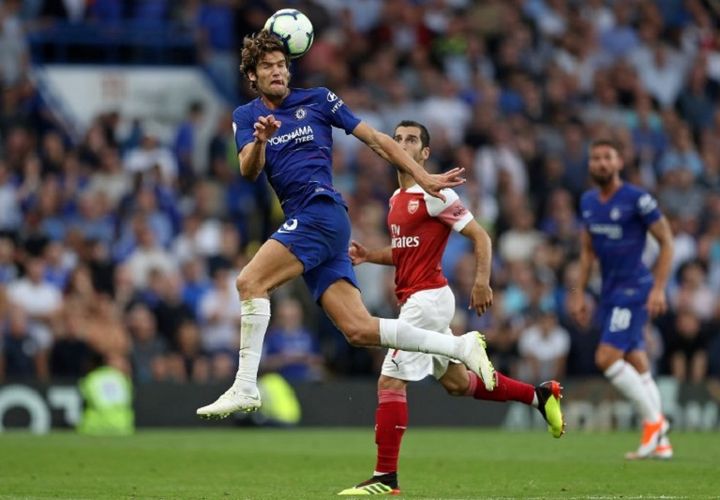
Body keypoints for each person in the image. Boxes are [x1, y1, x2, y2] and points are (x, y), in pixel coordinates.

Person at [196, 31, 496, 418]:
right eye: (267, 66)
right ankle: (460, 347)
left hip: (321, 212)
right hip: (306, 221)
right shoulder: (246, 116)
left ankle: (245, 386)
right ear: (252, 76)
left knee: (249, 282)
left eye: (282, 64)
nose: (277, 71)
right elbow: (248, 169)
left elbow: (375, 138)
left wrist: (423, 176)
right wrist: (262, 141)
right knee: (358, 330)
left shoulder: (318, 100)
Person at [338, 121, 564, 496]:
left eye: (411, 140)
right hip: (420, 298)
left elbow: (481, 236)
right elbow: (405, 251)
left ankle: (385, 479)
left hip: (428, 300)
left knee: (390, 379)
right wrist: (369, 256)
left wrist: (481, 281)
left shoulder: (434, 193)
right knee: (458, 384)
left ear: (425, 153)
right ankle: (539, 396)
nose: (402, 144)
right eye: (397, 139)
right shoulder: (397, 198)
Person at [569, 138, 674, 460]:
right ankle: (663, 442)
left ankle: (653, 423)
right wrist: (580, 292)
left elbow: (667, 242)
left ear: (619, 163)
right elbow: (587, 253)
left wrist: (658, 288)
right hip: (610, 292)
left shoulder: (637, 199)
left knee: (607, 358)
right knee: (637, 361)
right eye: (595, 158)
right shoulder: (588, 201)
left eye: (607, 158)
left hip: (635, 289)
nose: (600, 163)